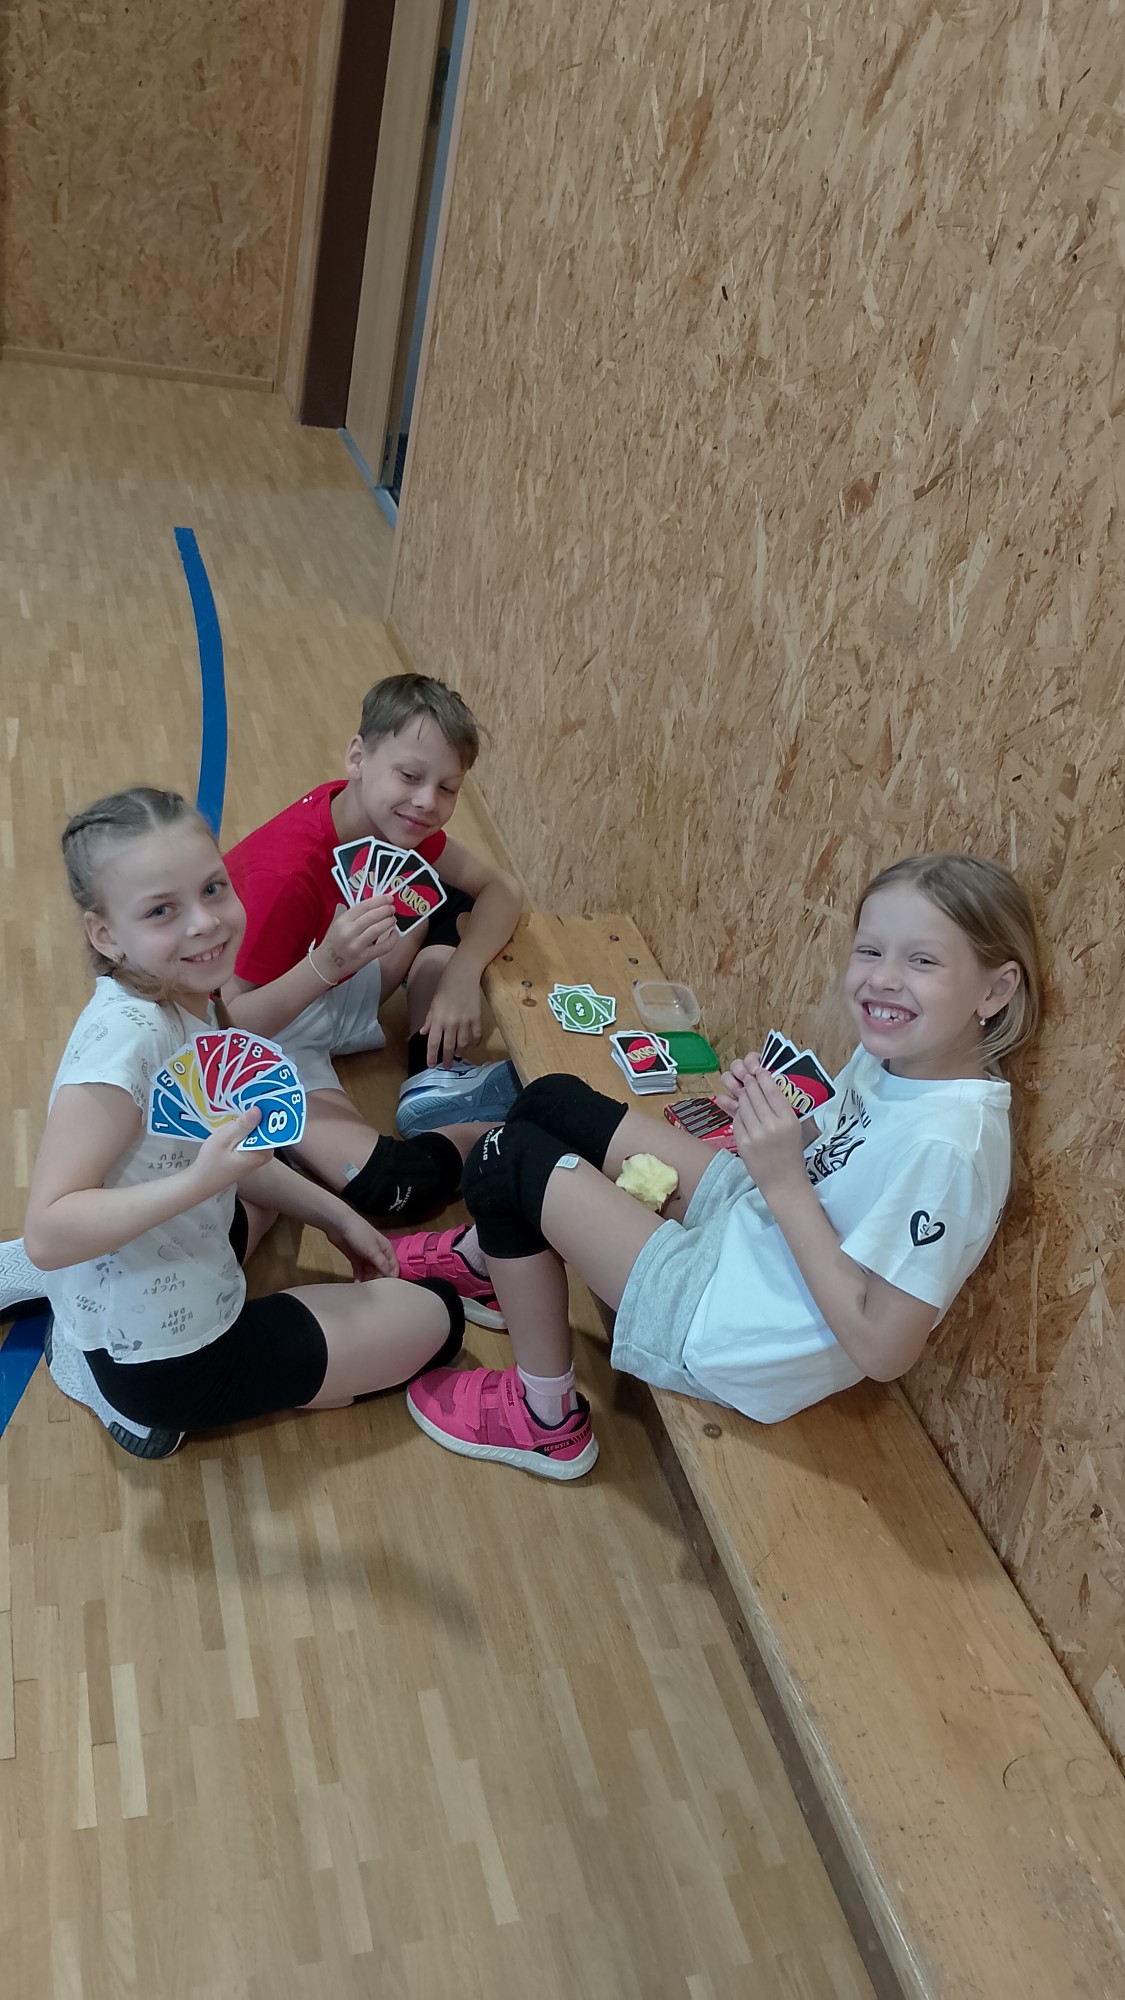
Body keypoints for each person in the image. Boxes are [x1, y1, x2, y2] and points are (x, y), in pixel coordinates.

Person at [405, 854, 1043, 1481]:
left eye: (922, 961)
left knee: (501, 1161)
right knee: (551, 1101)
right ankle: (496, 1265)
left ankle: (544, 1420)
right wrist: (771, 1122)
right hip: (760, 1229)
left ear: (995, 989)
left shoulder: (951, 1150)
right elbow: (833, 1148)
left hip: (736, 1326)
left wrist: (783, 1179)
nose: (883, 979)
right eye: (870, 951)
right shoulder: (901, 1055)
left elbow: (883, 1350)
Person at [17, 787, 481, 1461]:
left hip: (175, 1251)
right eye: (162, 910)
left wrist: (337, 1216)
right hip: (166, 1361)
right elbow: (48, 1232)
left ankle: (76, 1304)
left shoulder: (187, 995)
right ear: (105, 934)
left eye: (212, 888)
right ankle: (88, 1363)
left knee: (272, 1177)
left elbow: (230, 1155)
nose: (206, 923)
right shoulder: (125, 1042)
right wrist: (199, 1182)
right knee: (440, 1317)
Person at [221, 675, 524, 1240]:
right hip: (264, 1027)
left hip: (333, 977)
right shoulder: (285, 876)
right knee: (394, 1185)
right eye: (409, 776)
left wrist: (460, 977)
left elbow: (500, 890)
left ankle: (433, 1076)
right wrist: (327, 965)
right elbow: (230, 1025)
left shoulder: (390, 819)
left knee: (444, 898)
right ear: (357, 758)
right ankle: (526, 1123)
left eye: (448, 788)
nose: (428, 802)